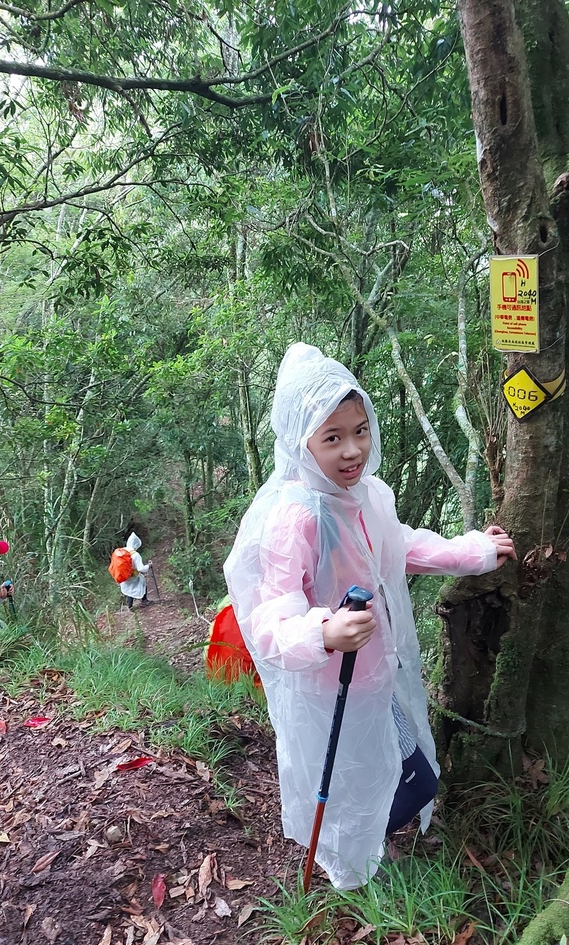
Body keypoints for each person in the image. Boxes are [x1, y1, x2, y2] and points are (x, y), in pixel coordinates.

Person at [224, 343, 516, 890]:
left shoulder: (370, 495)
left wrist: (475, 551)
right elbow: (267, 619)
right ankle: (351, 881)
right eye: (332, 437)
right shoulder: (295, 519)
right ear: (300, 441)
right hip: (331, 687)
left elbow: (398, 546)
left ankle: (369, 847)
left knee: (405, 775)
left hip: (382, 676)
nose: (352, 449)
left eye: (359, 429)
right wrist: (323, 632)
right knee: (347, 786)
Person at [120, 533, 152, 609]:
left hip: (123, 575)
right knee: (142, 581)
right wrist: (148, 566)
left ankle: (129, 605)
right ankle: (144, 600)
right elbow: (141, 569)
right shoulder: (135, 555)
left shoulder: (122, 551)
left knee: (129, 589)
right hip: (132, 575)